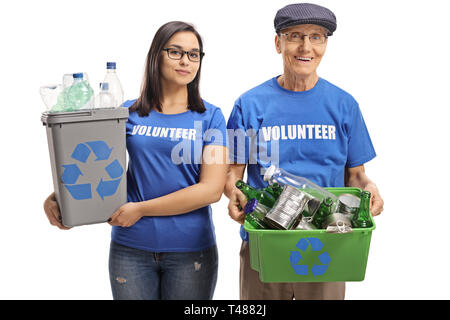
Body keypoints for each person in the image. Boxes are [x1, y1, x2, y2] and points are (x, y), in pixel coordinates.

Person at [43, 21, 228, 300]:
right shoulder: (127, 112)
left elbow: (211, 189)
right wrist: (59, 198)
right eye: (175, 52)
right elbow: (96, 162)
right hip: (130, 249)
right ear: (156, 55)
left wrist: (141, 209)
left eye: (193, 54)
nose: (186, 61)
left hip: (191, 251)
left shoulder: (211, 117)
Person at [224, 3, 384, 300]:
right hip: (266, 243)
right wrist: (234, 193)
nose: (306, 47)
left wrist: (369, 188)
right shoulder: (248, 105)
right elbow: (232, 173)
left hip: (328, 242)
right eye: (295, 35)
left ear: (325, 44)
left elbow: (357, 176)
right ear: (278, 43)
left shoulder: (344, 106)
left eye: (316, 37)